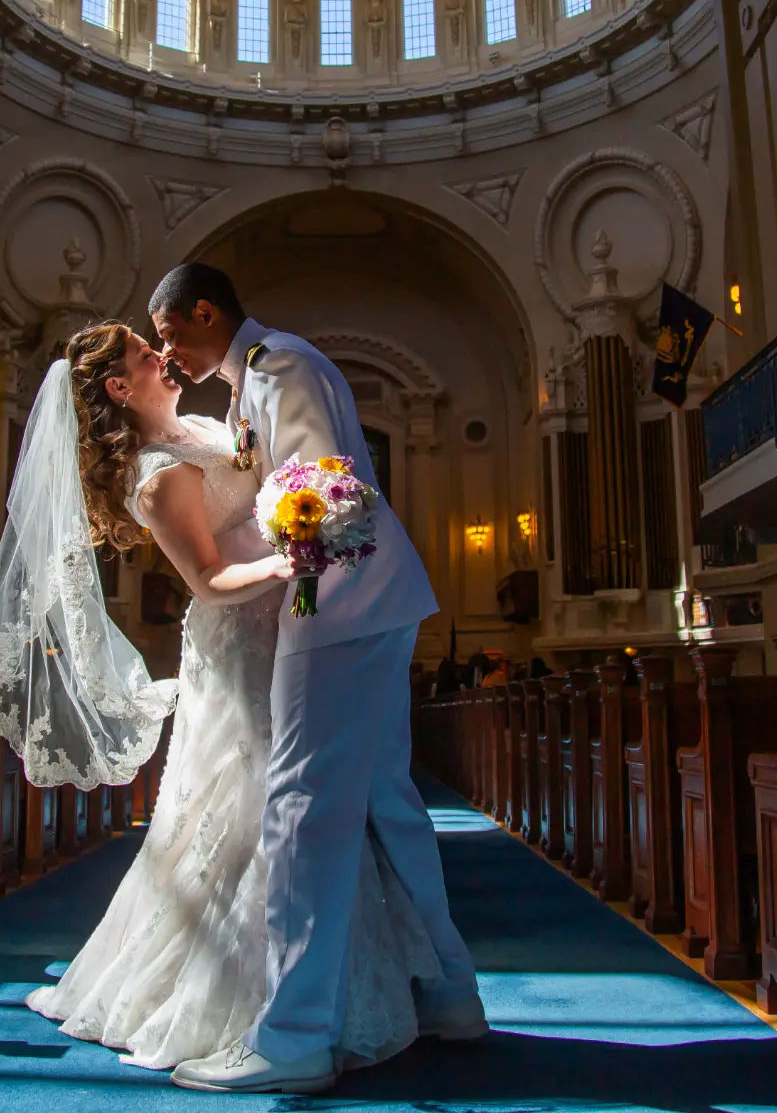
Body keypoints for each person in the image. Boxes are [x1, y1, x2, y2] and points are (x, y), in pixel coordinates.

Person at [0, 321, 444, 1078]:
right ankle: (261, 1003)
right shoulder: (157, 475)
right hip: (241, 645)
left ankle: (313, 997)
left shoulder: (205, 423)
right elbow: (209, 579)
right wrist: (292, 561)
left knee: (301, 801)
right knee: (257, 803)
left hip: (288, 630)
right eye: (140, 351)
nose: (160, 355)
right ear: (121, 389)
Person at [153, 264, 486, 1095]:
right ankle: (450, 992)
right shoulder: (257, 373)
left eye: (169, 334)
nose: (167, 353)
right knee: (387, 800)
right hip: (369, 597)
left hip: (334, 599)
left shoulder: (278, 365)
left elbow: (318, 488)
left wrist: (285, 569)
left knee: (300, 800)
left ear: (204, 312)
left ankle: (294, 1034)